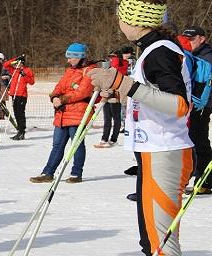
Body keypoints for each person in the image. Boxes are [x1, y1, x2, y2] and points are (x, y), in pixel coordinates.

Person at [89, 1, 194, 254]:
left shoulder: (159, 51)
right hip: (153, 149)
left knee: (162, 244)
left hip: (165, 150)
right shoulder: (151, 49)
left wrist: (124, 85)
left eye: (121, 17)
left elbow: (179, 104)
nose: (118, 22)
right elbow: (149, 95)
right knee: (150, 241)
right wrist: (119, 90)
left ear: (134, 21)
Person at [29, 43, 95, 184]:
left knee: (76, 145)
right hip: (62, 114)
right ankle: (48, 173)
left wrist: (63, 99)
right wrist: (54, 97)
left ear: (80, 57)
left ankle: (76, 173)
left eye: (71, 57)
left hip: (78, 114)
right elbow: (59, 87)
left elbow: (82, 92)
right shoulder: (70, 71)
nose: (68, 60)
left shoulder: (89, 71)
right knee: (57, 145)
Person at [182, 26, 212, 195]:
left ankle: (204, 180)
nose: (189, 42)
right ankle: (201, 178)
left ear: (202, 38)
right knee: (194, 140)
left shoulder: (207, 57)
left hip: (202, 105)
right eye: (187, 39)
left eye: (192, 39)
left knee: (198, 141)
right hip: (195, 104)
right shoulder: (193, 55)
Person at [94, 50, 127, 148]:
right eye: (110, 57)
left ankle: (114, 139)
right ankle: (104, 139)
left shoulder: (121, 67)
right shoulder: (108, 67)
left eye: (113, 57)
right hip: (106, 96)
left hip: (115, 96)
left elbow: (119, 79)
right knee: (107, 119)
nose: (111, 59)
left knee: (116, 118)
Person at [3, 54, 35, 140]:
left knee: (20, 113)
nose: (16, 64)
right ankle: (19, 131)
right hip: (14, 94)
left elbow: (32, 82)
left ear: (22, 63)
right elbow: (5, 64)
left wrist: (24, 75)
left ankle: (22, 131)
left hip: (21, 95)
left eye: (18, 62)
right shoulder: (14, 70)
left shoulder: (27, 70)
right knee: (16, 113)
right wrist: (16, 58)